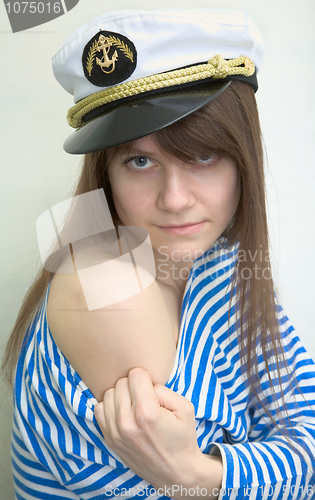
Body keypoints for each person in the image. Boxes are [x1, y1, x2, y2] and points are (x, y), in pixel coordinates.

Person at [2, 8, 315, 500]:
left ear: (244, 158)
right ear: (108, 171)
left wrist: (199, 474)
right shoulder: (106, 289)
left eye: (203, 155)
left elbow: (305, 427)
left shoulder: (219, 256)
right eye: (141, 160)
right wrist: (209, 475)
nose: (174, 199)